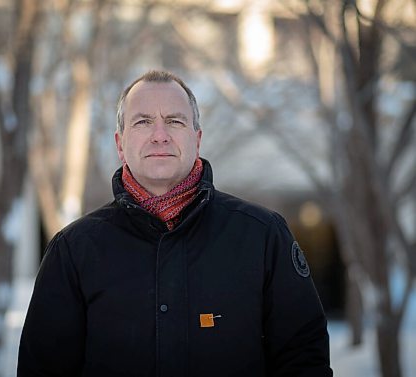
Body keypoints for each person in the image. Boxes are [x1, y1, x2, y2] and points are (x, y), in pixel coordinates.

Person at [17, 70, 333, 377]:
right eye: (143, 122)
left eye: (174, 121)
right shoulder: (74, 250)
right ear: (120, 143)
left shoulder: (262, 236)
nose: (160, 135)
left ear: (197, 138)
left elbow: (304, 360)